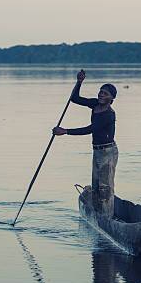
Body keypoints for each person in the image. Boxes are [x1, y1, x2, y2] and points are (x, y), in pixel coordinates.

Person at [53, 70, 118, 217]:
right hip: (97, 150)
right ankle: (97, 212)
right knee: (95, 185)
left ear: (111, 99)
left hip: (108, 152)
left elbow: (91, 129)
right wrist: (79, 82)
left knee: (105, 188)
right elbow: (74, 98)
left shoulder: (109, 114)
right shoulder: (95, 104)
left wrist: (65, 131)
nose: (101, 95)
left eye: (105, 94)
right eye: (101, 92)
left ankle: (107, 217)